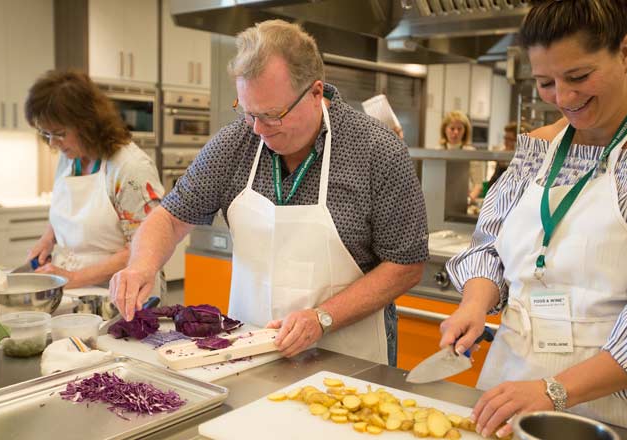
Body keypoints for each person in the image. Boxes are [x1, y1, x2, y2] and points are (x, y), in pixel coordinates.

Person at [110, 20, 428, 366]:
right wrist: (141, 266)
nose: (259, 129)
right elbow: (169, 218)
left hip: (350, 355)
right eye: (249, 113)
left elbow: (406, 264)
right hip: (249, 349)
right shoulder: (234, 144)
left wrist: (322, 318)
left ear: (315, 93)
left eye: (272, 115)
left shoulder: (376, 151)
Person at [442, 0, 627, 437]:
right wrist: (473, 305)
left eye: (579, 77)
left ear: (625, 52)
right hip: (510, 386)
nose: (563, 99)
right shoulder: (536, 148)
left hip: (620, 407)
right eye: (546, 82)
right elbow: (489, 247)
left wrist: (553, 390)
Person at [25, 70, 165, 295]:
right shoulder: (69, 158)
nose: (53, 144)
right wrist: (47, 238)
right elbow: (70, 211)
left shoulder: (130, 168)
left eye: (59, 133)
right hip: (74, 288)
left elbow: (148, 248)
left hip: (122, 293)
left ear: (87, 124)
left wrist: (76, 278)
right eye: (46, 133)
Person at [467, 121, 532, 201]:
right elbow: (492, 185)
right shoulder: (503, 159)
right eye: (505, 138)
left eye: (509, 139)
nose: (505, 142)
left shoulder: (526, 163)